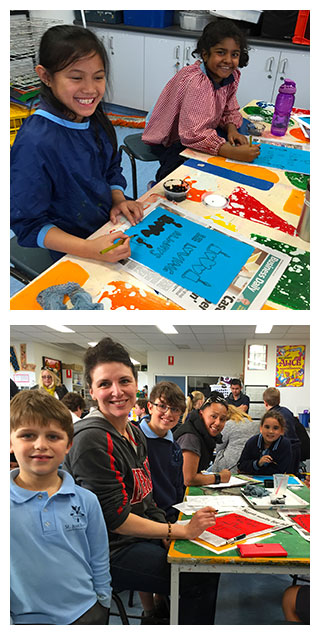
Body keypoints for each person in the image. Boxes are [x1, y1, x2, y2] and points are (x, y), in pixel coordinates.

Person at [63, 337, 221, 625]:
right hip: (108, 550)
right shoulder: (92, 439)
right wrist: (177, 530)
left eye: (124, 381)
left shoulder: (135, 435)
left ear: (136, 385)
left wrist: (167, 531)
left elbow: (147, 499)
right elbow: (115, 519)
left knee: (203, 562)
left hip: (136, 539)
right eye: (104, 384)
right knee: (199, 575)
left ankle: (164, 616)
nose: (117, 391)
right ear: (92, 391)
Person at [11, 25, 143, 264]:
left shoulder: (96, 121)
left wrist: (118, 200)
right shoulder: (35, 142)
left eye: (98, 77)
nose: (90, 89)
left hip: (103, 227)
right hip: (71, 248)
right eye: (76, 77)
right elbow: (29, 223)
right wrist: (88, 248)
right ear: (46, 77)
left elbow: (111, 168)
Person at [10, 389, 111, 625]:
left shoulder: (86, 500)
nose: (41, 445)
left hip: (85, 612)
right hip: (25, 621)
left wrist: (103, 601)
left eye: (53, 437)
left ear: (68, 445)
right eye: (28, 435)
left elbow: (98, 556)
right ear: (9, 442)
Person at [142, 19, 260, 182]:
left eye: (234, 54)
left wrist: (232, 129)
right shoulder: (197, 82)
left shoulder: (230, 77)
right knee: (180, 176)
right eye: (221, 52)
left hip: (201, 129)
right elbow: (192, 134)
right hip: (170, 138)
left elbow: (229, 107)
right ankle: (158, 186)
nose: (228, 60)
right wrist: (232, 152)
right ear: (205, 54)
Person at [173, 392, 231, 486]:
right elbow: (188, 479)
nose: (217, 422)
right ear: (201, 414)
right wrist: (219, 477)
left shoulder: (203, 434)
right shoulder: (191, 438)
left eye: (222, 419)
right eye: (213, 416)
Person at [237, 409, 292, 475]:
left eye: (275, 428)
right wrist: (258, 463)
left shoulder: (285, 445)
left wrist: (255, 469)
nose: (270, 431)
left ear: (282, 431)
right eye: (267, 427)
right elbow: (241, 465)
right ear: (261, 428)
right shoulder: (252, 442)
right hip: (252, 480)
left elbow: (281, 469)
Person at [209, 404, 259, 473]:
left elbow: (219, 447)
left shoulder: (228, 424)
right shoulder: (253, 423)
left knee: (208, 471)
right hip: (250, 464)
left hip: (231, 466)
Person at [263, 387, 301, 474]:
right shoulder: (287, 411)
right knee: (292, 477)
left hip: (284, 449)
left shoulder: (271, 416)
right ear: (279, 400)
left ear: (265, 403)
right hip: (296, 447)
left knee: (281, 477)